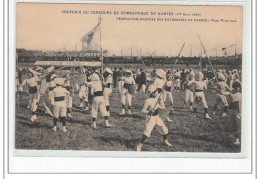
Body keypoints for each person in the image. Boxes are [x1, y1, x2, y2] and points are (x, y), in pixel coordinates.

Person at [136, 84, 172, 152]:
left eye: (157, 91)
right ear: (152, 93)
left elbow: (163, 108)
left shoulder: (157, 98)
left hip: (157, 117)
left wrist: (160, 104)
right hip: (151, 118)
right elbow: (143, 110)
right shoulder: (148, 101)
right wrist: (149, 111)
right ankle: (139, 145)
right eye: (155, 92)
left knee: (165, 129)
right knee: (147, 132)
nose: (157, 93)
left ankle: (166, 141)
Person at [226, 81, 242, 145]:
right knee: (233, 125)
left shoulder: (241, 95)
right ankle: (237, 140)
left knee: (240, 125)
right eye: (236, 87)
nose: (237, 88)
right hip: (231, 111)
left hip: (238, 111)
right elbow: (226, 93)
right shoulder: (232, 94)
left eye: (238, 87)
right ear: (233, 87)